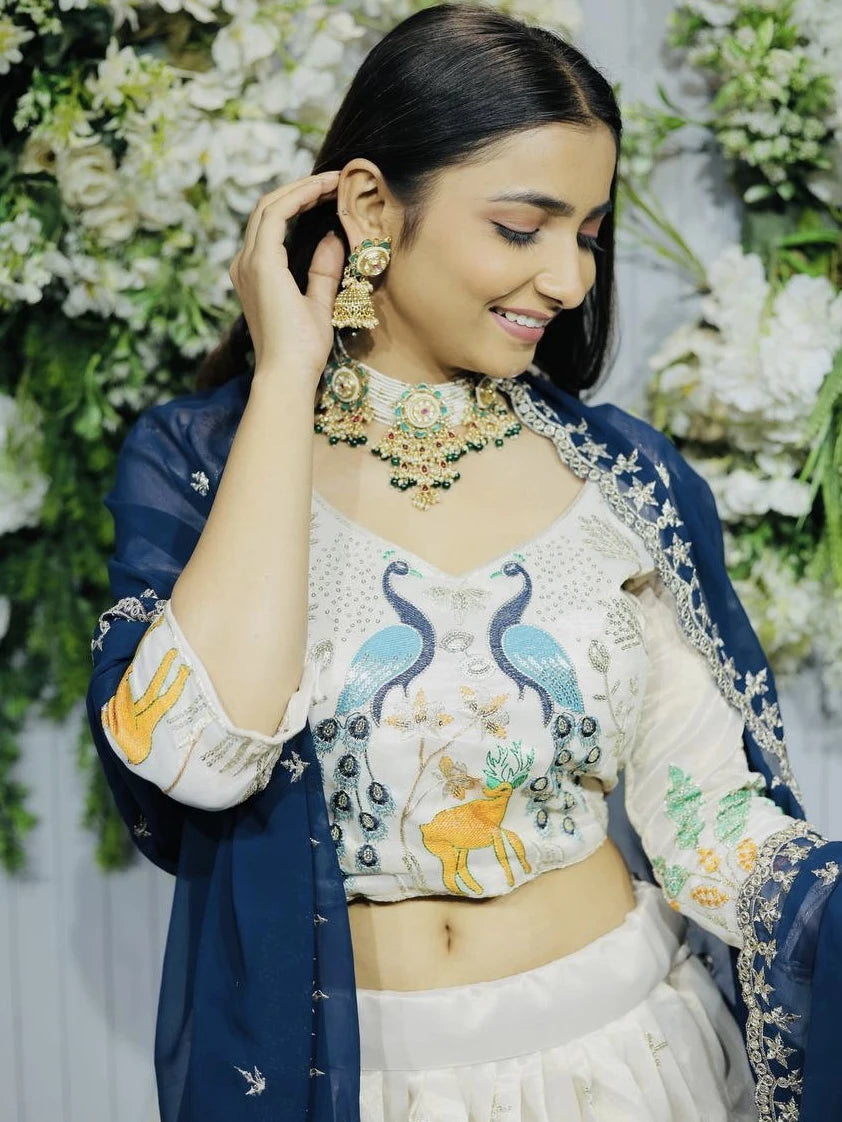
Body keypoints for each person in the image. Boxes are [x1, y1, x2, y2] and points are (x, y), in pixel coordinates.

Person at [85, 4, 842, 1121]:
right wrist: (288, 371)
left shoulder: (621, 478)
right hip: (349, 1080)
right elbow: (197, 758)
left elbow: (705, 812)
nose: (570, 280)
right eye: (521, 227)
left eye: (585, 232)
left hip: (622, 1062)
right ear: (369, 206)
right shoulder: (201, 466)